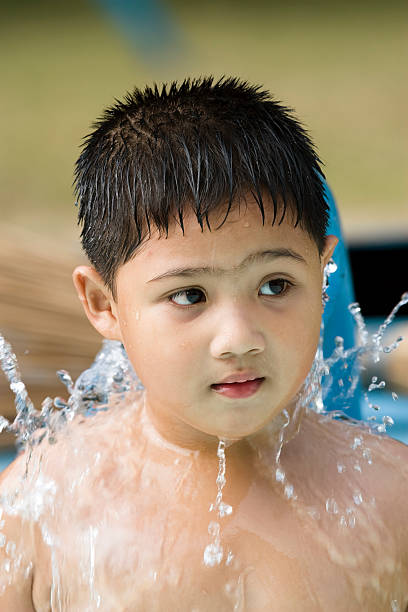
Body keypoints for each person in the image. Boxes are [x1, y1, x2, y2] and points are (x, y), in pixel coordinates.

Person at [0, 77, 407, 611]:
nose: (239, 339)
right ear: (104, 304)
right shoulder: (41, 509)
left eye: (275, 286)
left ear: (324, 272)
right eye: (189, 295)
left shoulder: (390, 496)